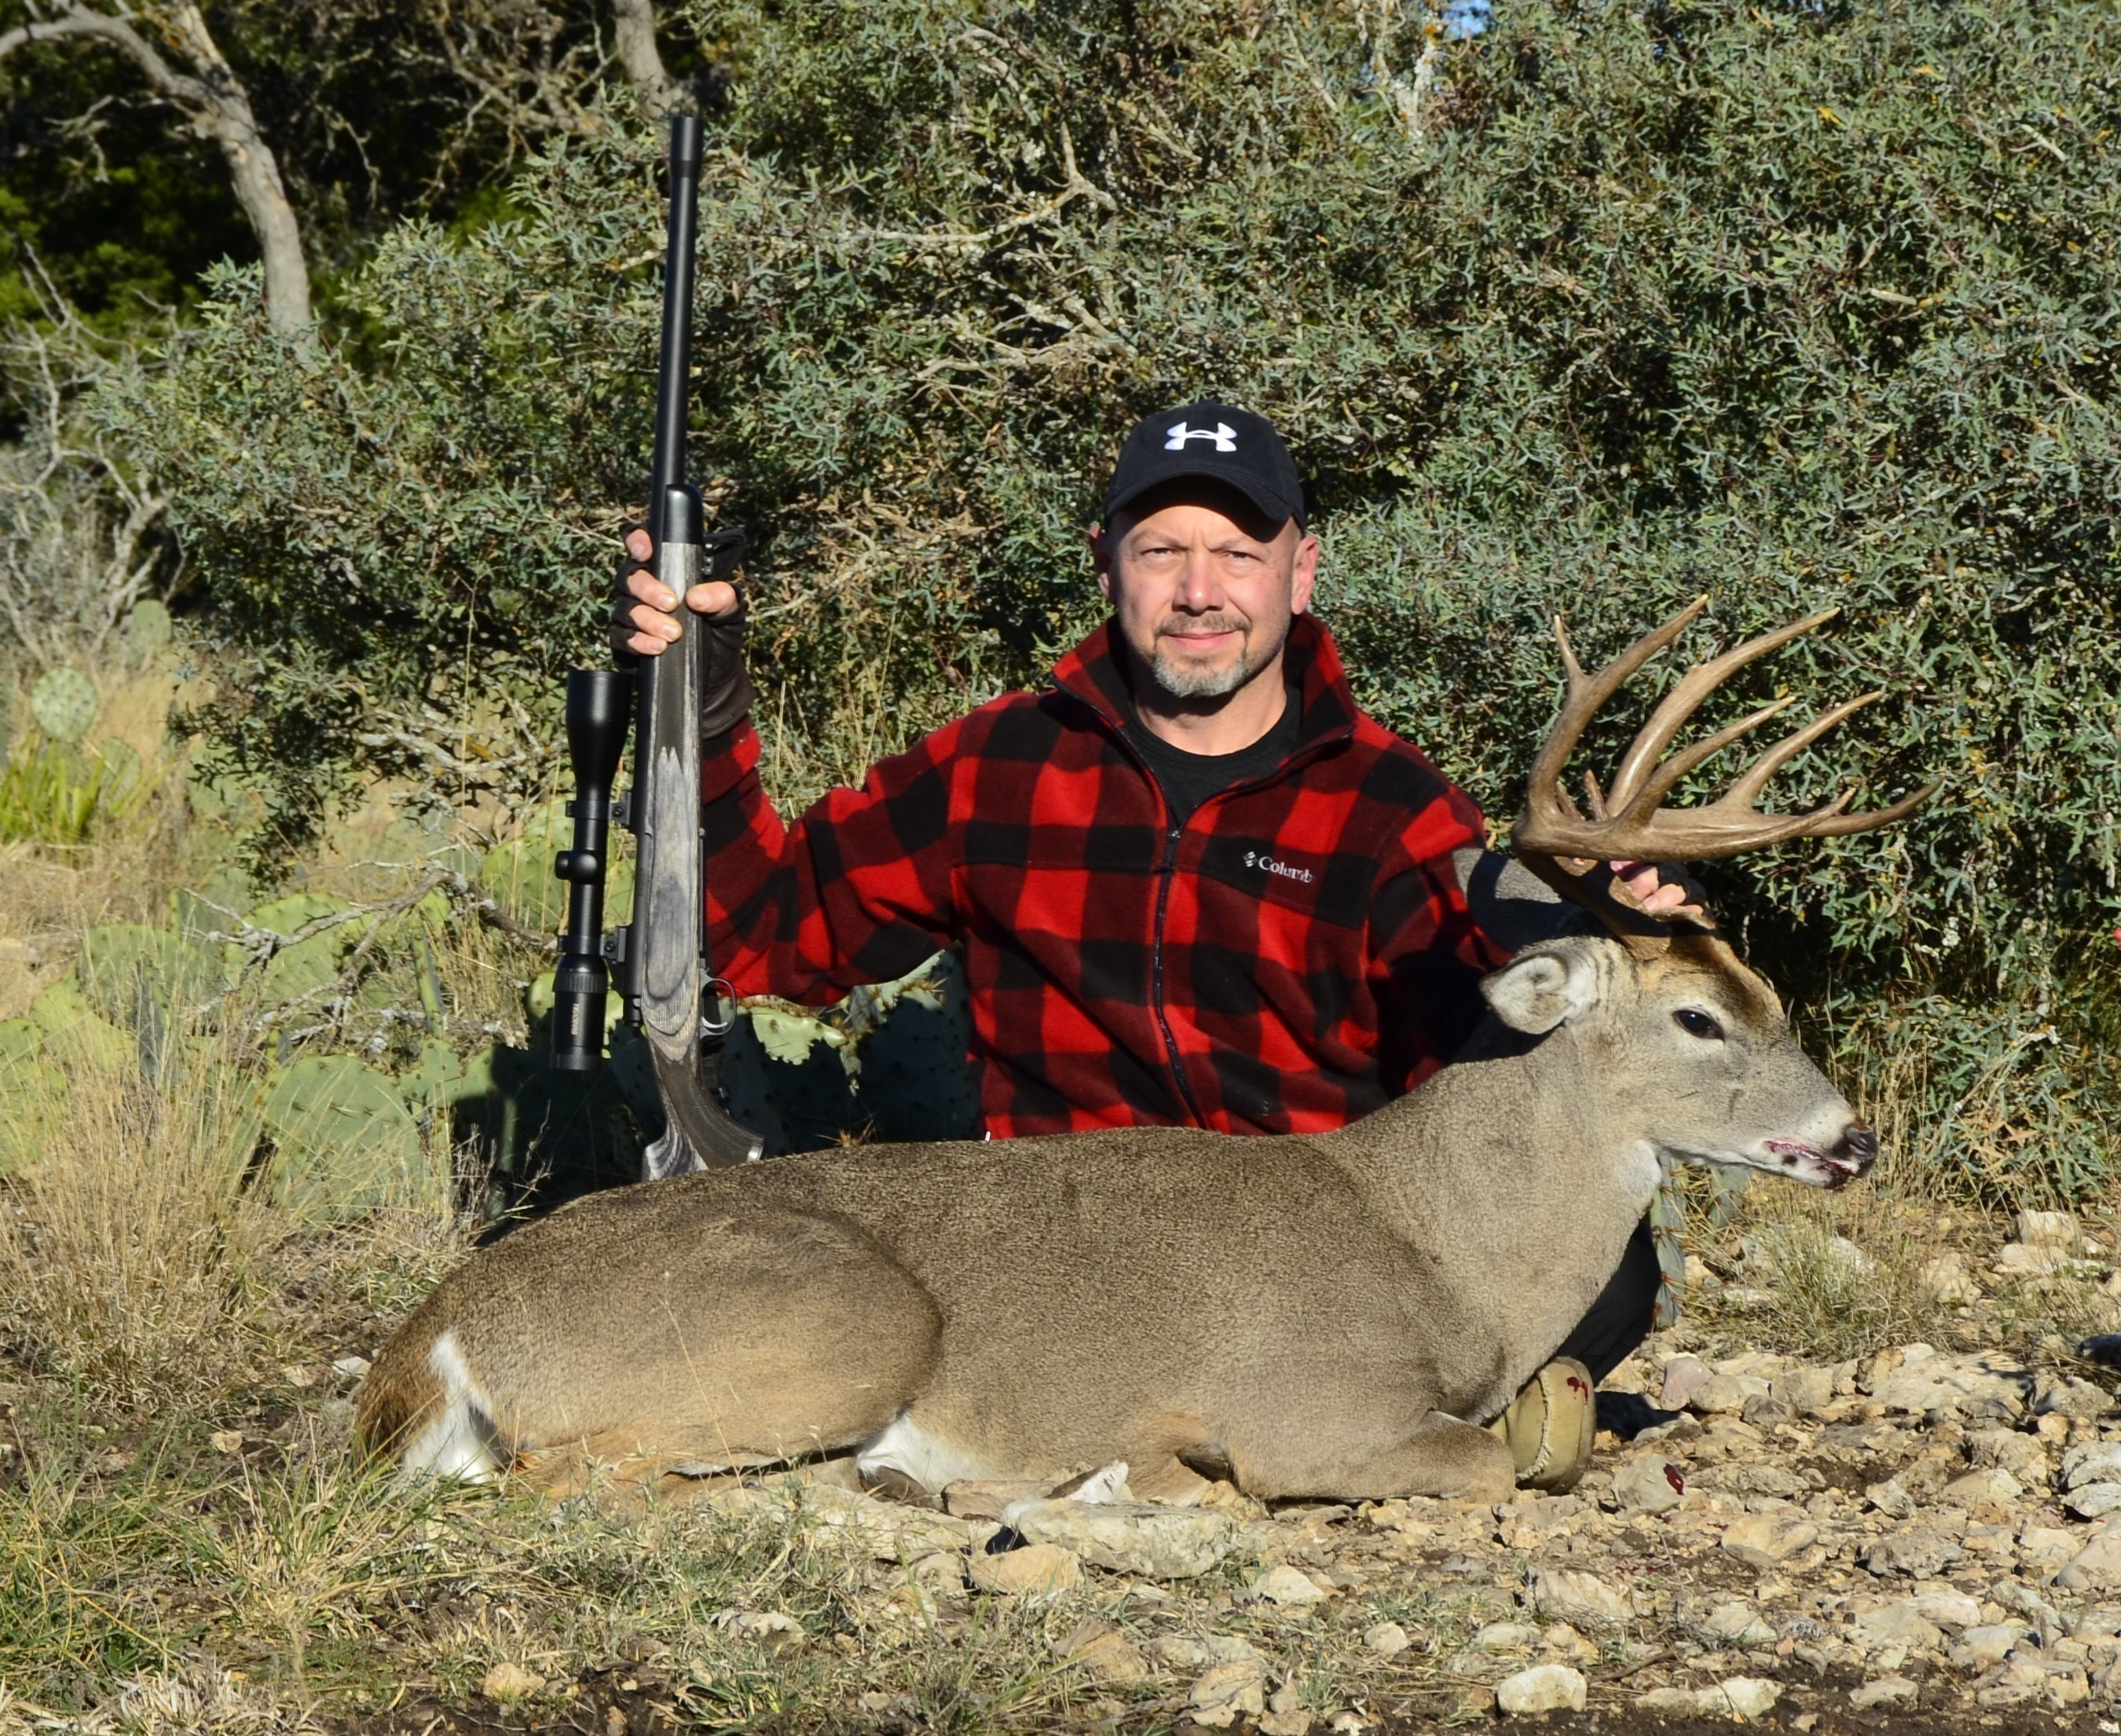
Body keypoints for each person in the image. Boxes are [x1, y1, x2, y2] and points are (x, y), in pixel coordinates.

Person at [614, 401, 1687, 1488]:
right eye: (1161, 550)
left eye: (1236, 552)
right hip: (1071, 1266)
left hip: (1306, 1277)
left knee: (1611, 1272)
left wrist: (1609, 931)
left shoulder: (1391, 810)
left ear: (1300, 571)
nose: (1199, 591)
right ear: (1105, 565)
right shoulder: (1004, 767)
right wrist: (701, 708)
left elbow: (1485, 1060)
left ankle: (1383, 1408)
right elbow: (767, 935)